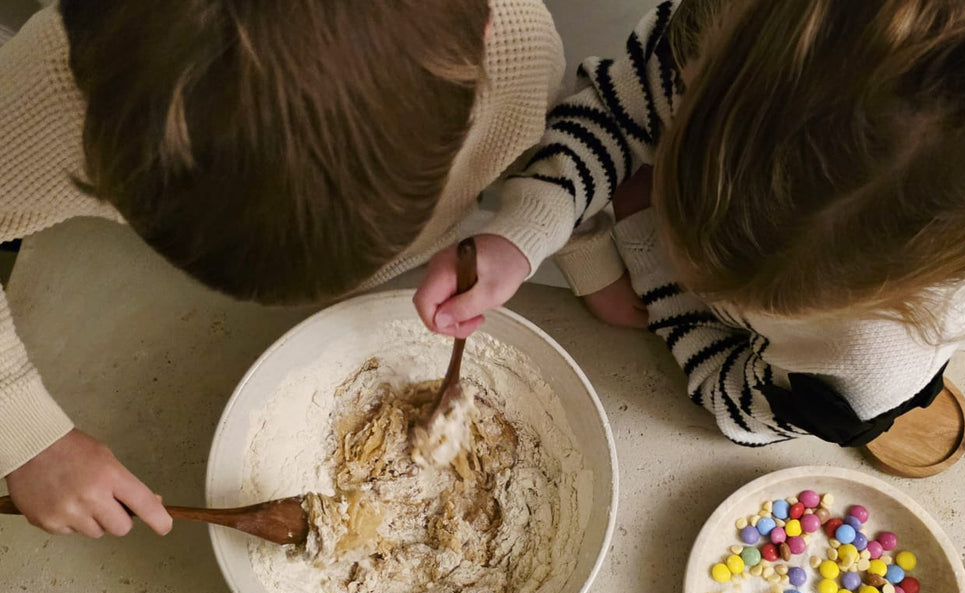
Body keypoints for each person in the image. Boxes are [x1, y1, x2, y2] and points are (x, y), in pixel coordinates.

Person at [0, 0, 567, 536]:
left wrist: (530, 228)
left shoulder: (516, 52)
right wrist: (25, 434)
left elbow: (566, 146)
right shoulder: (50, 102)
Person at [415, 0, 965, 446]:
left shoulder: (869, 371)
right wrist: (526, 234)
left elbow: (734, 406)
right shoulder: (714, 35)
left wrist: (649, 255)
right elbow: (609, 114)